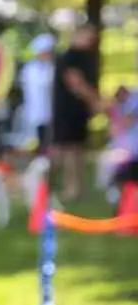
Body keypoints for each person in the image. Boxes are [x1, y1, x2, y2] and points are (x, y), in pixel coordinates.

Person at [52, 24, 106, 200]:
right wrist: (95, 101)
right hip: (67, 110)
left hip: (79, 111)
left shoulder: (85, 57)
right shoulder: (70, 57)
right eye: (88, 36)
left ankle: (77, 188)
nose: (91, 40)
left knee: (77, 149)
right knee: (66, 149)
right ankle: (66, 187)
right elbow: (76, 83)